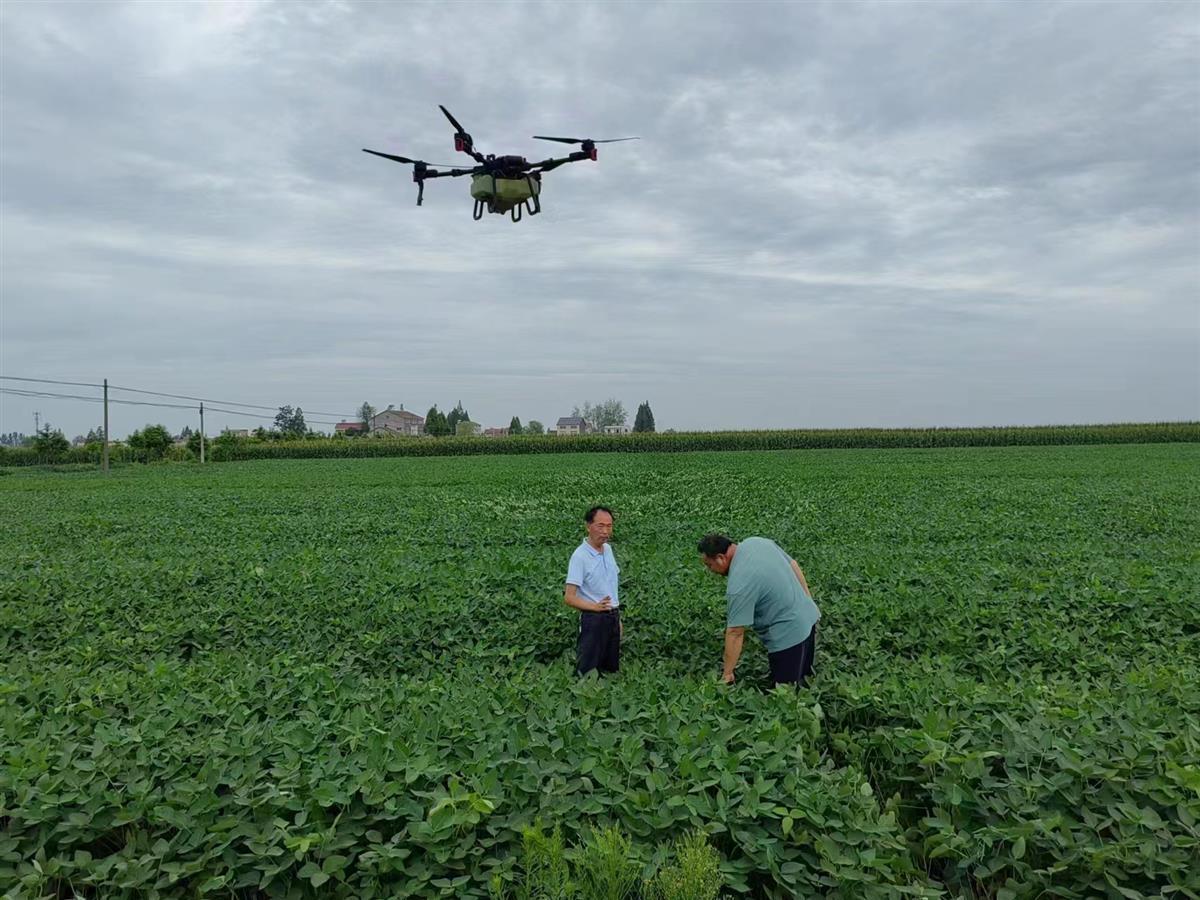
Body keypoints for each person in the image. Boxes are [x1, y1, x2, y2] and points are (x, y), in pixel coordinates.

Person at [697, 533, 820, 687]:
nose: (710, 570)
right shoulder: (757, 542)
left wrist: (727, 673)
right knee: (803, 681)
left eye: (709, 565)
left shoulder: (739, 584)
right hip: (808, 618)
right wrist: (807, 600)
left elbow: (735, 632)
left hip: (788, 637)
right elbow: (793, 564)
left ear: (721, 558)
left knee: (785, 695)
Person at [564, 506, 622, 676]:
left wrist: (617, 617)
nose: (605, 531)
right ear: (588, 526)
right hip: (593, 618)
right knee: (587, 670)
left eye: (609, 526)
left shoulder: (608, 550)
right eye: (600, 526)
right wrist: (594, 607)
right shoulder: (579, 556)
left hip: (612, 616)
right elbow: (569, 597)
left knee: (611, 669)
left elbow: (610, 587)